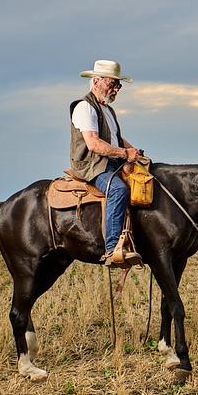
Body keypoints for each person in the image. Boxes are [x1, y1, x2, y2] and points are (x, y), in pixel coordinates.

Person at [69, 59, 142, 267]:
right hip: (92, 166)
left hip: (110, 163)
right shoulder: (85, 107)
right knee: (118, 189)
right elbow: (93, 144)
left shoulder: (108, 110)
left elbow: (117, 140)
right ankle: (113, 248)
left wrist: (136, 152)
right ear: (97, 81)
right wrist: (124, 153)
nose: (117, 88)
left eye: (119, 84)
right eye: (113, 83)